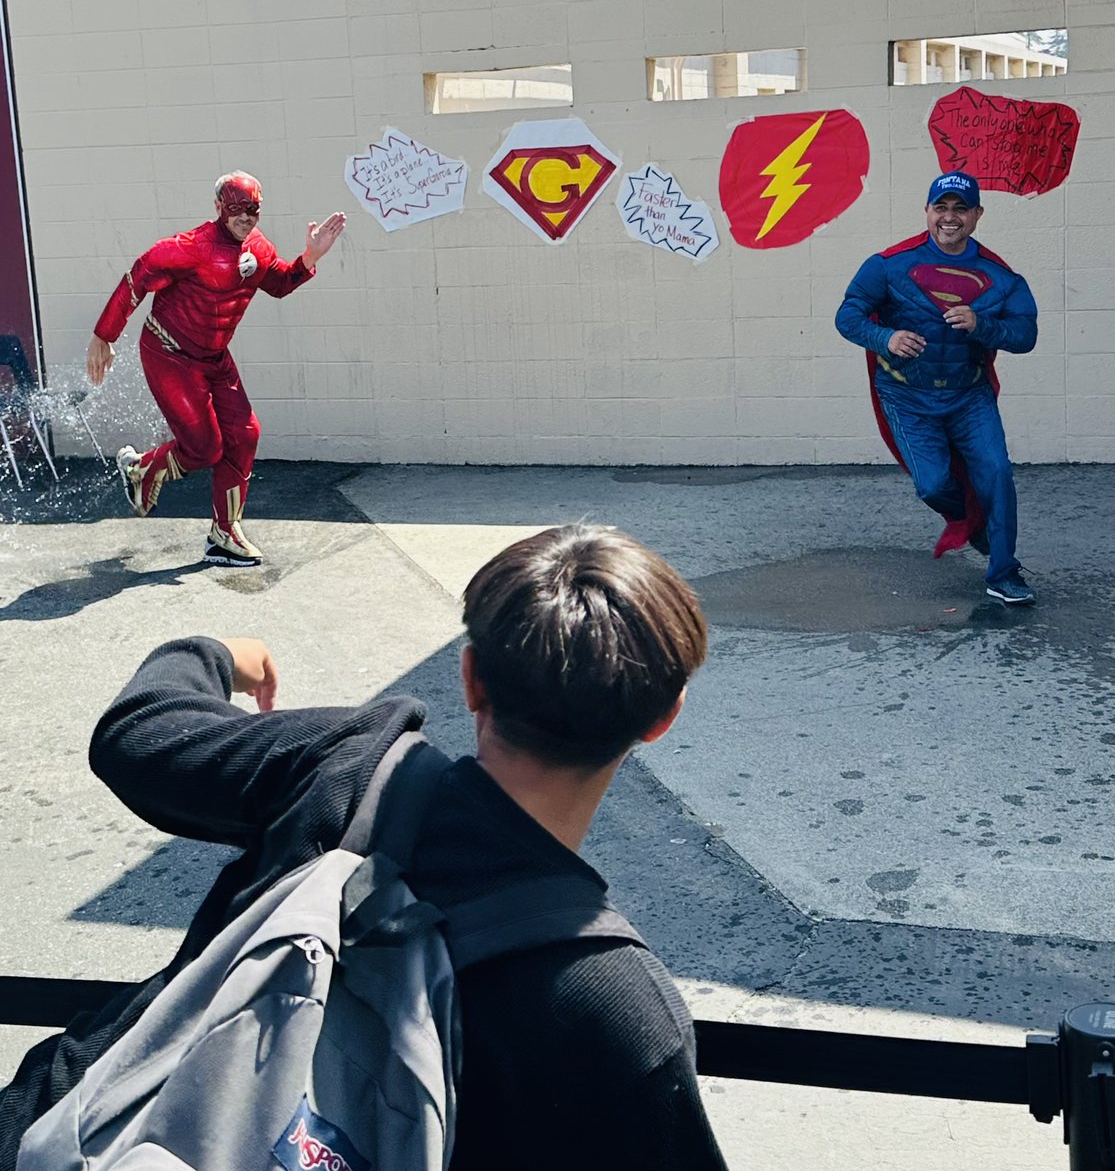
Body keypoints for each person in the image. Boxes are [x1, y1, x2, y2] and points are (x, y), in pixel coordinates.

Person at [0, 525, 728, 1171]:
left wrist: (213, 654)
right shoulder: (619, 1009)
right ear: (664, 717)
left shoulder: (347, 767)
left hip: (70, 1134)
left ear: (470, 680)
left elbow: (138, 736)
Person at [85, 172, 346, 567]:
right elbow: (137, 277)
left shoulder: (257, 247)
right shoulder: (191, 247)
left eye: (253, 209)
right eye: (237, 208)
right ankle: (140, 470)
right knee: (205, 448)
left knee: (245, 435)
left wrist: (310, 257)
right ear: (220, 207)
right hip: (169, 353)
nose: (246, 217)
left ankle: (224, 532)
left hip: (213, 357)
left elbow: (279, 283)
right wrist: (103, 336)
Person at [835, 171, 1039, 605]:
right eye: (941, 208)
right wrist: (883, 338)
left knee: (997, 472)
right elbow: (848, 315)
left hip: (969, 396)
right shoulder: (889, 264)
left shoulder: (1001, 277)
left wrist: (983, 324)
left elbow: (1025, 336)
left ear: (977, 215)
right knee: (932, 485)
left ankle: (1004, 570)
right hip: (906, 397)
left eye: (960, 208)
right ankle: (972, 523)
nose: (950, 217)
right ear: (927, 212)